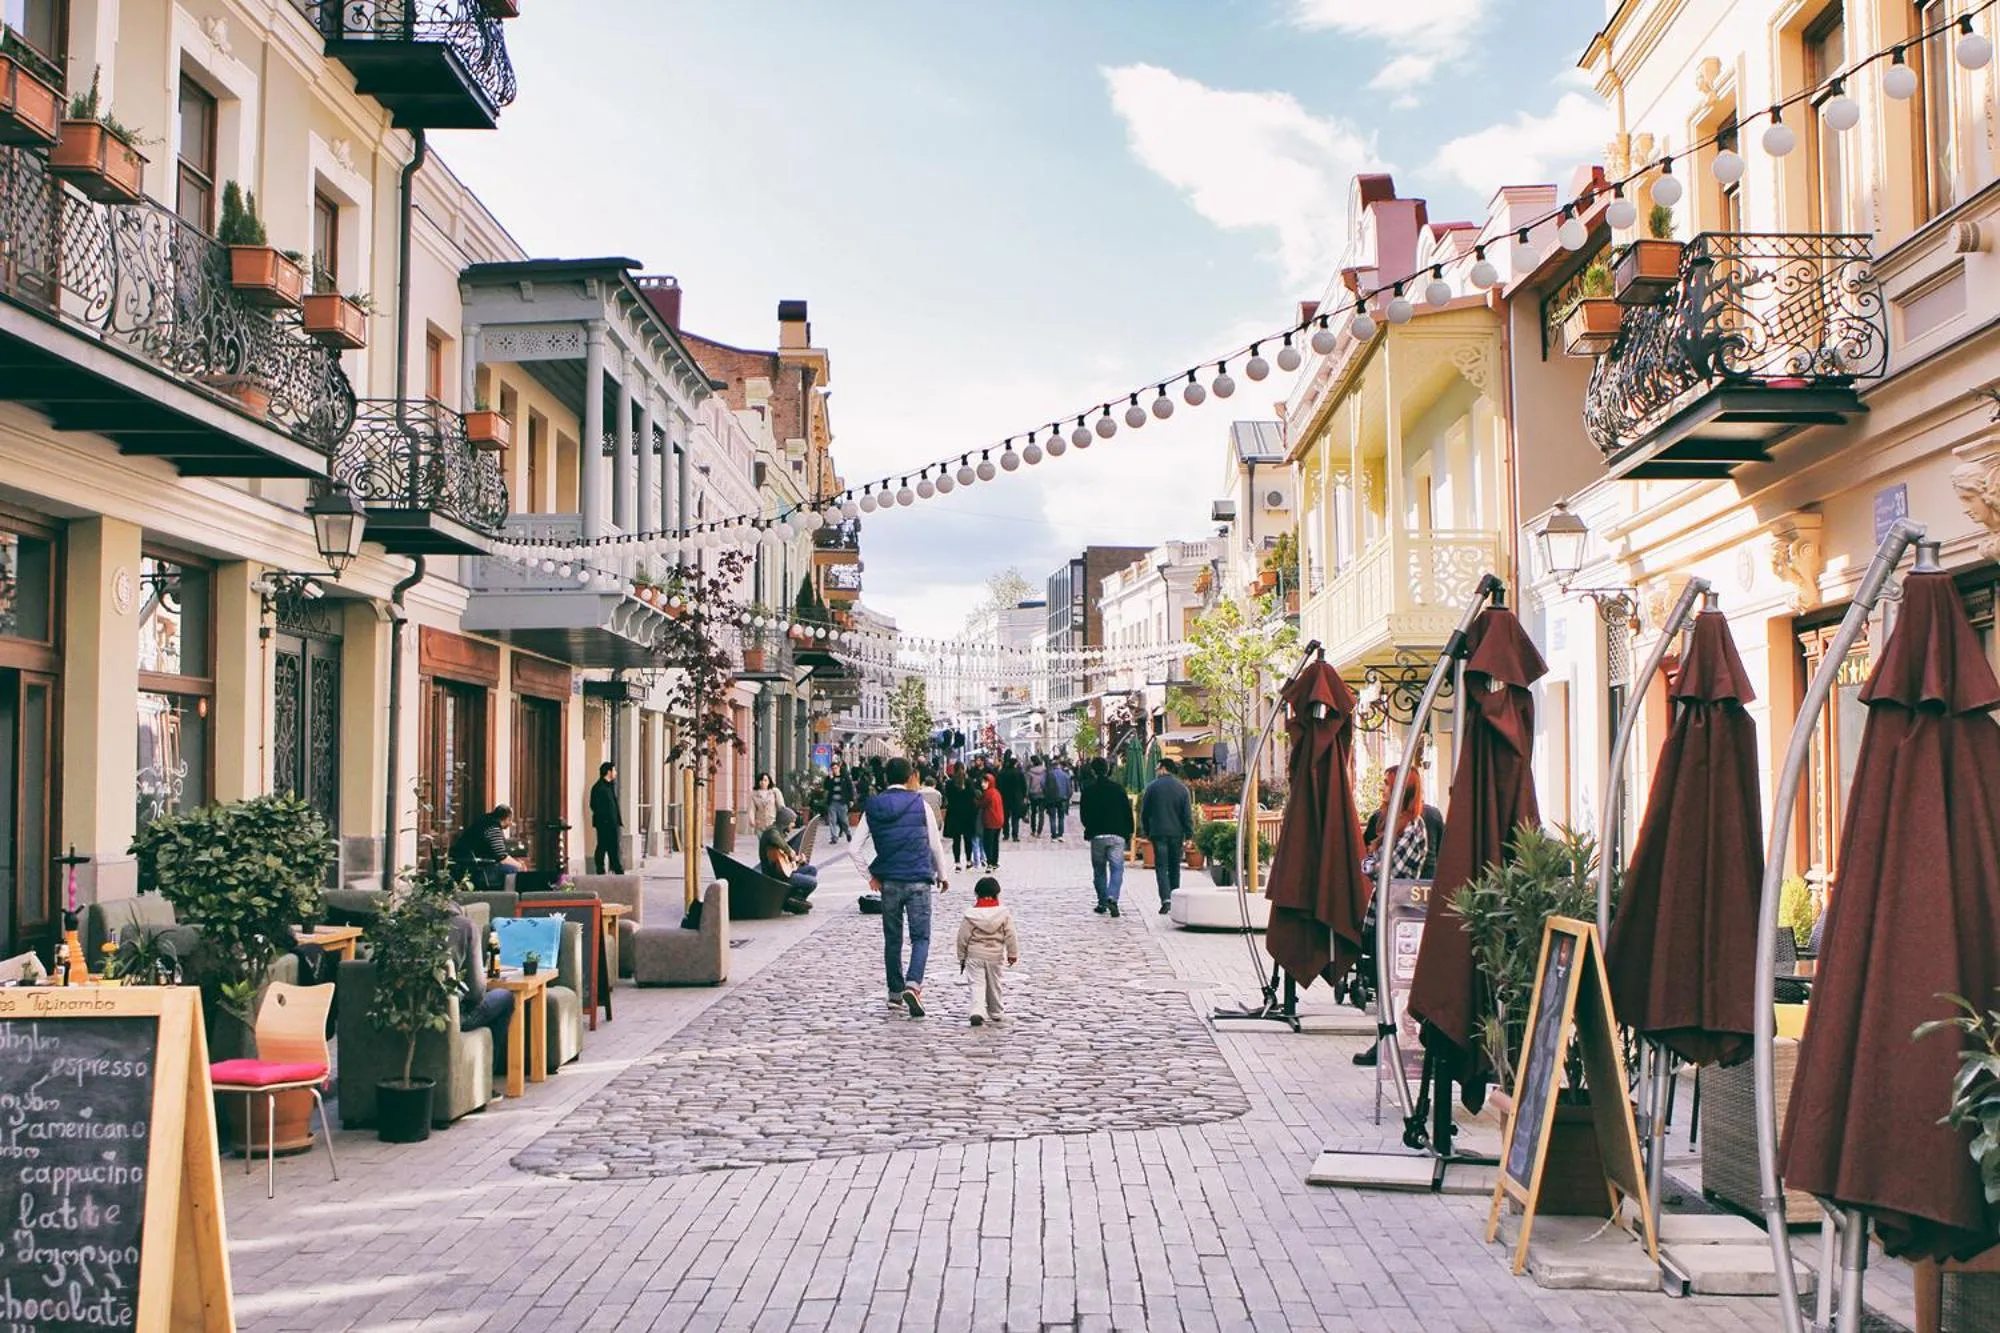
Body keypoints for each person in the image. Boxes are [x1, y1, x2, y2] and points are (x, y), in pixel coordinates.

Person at [851, 757, 951, 1017]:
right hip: (918, 878)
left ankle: (895, 995)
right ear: (909, 777)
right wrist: (943, 874)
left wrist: (870, 876)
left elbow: (853, 848)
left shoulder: (873, 806)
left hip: (890, 882)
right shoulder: (921, 804)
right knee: (921, 937)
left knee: (892, 940)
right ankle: (913, 984)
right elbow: (934, 844)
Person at [447, 913, 515, 1076]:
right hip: (454, 1016)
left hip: (405, 1017)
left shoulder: (403, 921)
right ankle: (487, 1078)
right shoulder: (466, 926)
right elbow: (476, 991)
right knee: (504, 997)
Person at [955, 875, 1020, 1028]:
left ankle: (977, 1011)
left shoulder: (971, 915)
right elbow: (1011, 935)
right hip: (995, 956)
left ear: (977, 894)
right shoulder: (1003, 914)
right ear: (997, 894)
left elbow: (962, 937)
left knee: (976, 984)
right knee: (994, 984)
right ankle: (996, 1011)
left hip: (974, 955)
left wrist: (962, 957)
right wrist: (1012, 954)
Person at [1362, 767, 1444, 880]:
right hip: (1399, 892)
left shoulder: (1413, 825)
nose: (1381, 788)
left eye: (1386, 783)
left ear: (1400, 788)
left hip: (1403, 894)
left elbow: (1390, 873)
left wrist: (1370, 867)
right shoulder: (1385, 819)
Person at [1139, 758, 1197, 915]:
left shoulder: (1152, 788)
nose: (1157, 771)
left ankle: (1166, 900)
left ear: (1164, 768)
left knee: (1161, 867)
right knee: (1174, 867)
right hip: (1176, 833)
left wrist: (1146, 831)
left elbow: (1145, 812)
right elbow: (1187, 815)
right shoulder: (1182, 789)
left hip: (1158, 833)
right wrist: (1189, 834)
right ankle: (1175, 897)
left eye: (1158, 768)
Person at [1079, 758, 1133, 916]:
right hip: (1117, 834)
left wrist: (1089, 828)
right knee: (1117, 869)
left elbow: (1084, 815)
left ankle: (1102, 902)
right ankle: (1112, 897)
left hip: (1097, 835)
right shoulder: (1118, 789)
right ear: (1108, 769)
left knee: (1099, 869)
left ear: (1093, 771)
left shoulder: (1088, 790)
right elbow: (1127, 812)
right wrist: (1129, 832)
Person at [450, 805, 525, 889]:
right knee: (513, 871)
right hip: (476, 869)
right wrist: (519, 866)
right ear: (507, 818)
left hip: (465, 865)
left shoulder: (485, 822)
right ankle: (509, 899)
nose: (511, 823)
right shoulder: (493, 827)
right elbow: (502, 857)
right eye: (511, 820)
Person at [759, 807, 817, 913]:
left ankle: (795, 898)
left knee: (812, 870)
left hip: (782, 870)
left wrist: (796, 860)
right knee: (812, 882)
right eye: (792, 822)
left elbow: (782, 857)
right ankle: (791, 901)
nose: (793, 825)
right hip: (776, 874)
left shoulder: (778, 831)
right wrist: (790, 852)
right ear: (785, 822)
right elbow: (775, 839)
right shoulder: (772, 832)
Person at [590, 762, 624, 875]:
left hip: (612, 824)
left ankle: (617, 869)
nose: (616, 773)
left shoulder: (609, 786)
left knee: (612, 847)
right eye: (614, 770)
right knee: (603, 847)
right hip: (604, 824)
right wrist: (605, 820)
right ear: (609, 772)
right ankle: (602, 870)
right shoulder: (599, 787)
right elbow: (595, 806)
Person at [943, 763, 977, 871]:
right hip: (967, 814)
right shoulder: (969, 782)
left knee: (956, 840)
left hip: (954, 813)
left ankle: (957, 863)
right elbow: (973, 796)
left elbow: (947, 796)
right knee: (968, 839)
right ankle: (968, 861)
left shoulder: (949, 783)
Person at [823, 760, 856, 844]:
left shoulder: (845, 777)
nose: (834, 770)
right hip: (832, 803)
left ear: (839, 768)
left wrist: (851, 800)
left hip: (842, 802)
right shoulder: (830, 778)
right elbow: (826, 787)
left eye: (836, 768)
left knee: (844, 820)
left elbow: (850, 789)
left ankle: (848, 833)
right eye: (833, 768)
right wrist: (830, 778)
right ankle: (834, 837)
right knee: (832, 820)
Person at [997, 755, 1028, 842]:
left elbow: (999, 785)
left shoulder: (1002, 773)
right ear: (1015, 763)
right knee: (1015, 817)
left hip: (1005, 797)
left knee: (1005, 817)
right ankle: (1015, 835)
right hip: (1017, 798)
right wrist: (1024, 795)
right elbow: (1024, 785)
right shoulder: (1019, 773)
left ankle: (1006, 834)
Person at [977, 770, 1005, 869]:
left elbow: (981, 804)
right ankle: (994, 861)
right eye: (982, 782)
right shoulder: (996, 792)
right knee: (995, 842)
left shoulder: (988, 793)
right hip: (999, 820)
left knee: (988, 842)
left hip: (990, 821)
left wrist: (975, 800)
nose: (983, 784)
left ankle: (989, 862)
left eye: (985, 782)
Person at [1045, 759, 1073, 843]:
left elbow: (1043, 784)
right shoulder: (1065, 775)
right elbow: (1069, 788)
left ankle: (1053, 836)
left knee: (1052, 817)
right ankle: (1060, 835)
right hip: (1062, 798)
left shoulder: (1049, 775)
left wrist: (1046, 794)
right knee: (1061, 817)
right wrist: (1068, 797)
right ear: (1059, 766)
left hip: (1052, 798)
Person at [1025, 755, 1048, 837]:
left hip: (1033, 794)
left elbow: (1028, 785)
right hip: (1042, 794)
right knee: (1041, 813)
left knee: (1033, 812)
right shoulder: (1044, 770)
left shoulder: (1030, 772)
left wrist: (1026, 795)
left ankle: (1033, 830)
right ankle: (1039, 831)